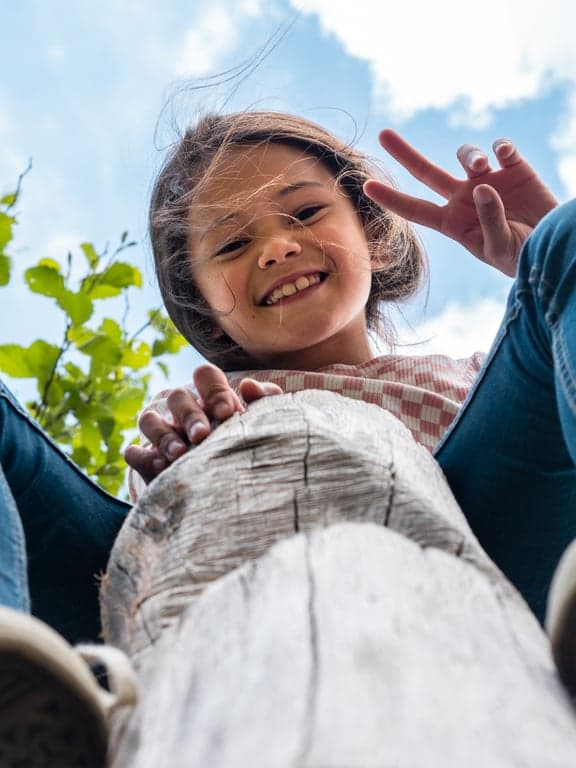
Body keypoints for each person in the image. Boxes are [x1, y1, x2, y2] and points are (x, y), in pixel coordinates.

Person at [122, 111, 576, 693]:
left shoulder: (473, 380)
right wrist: (187, 456)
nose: (278, 247)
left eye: (307, 212)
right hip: (290, 606)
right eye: (233, 244)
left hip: (510, 556)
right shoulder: (206, 407)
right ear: (203, 309)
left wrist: (549, 256)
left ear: (374, 237)